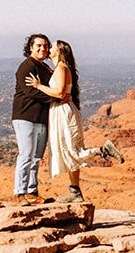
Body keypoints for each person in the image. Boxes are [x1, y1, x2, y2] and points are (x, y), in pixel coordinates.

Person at [26, 39, 124, 203]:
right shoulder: (58, 68)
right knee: (68, 151)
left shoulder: (62, 68)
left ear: (60, 51)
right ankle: (75, 191)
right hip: (60, 112)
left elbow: (59, 93)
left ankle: (103, 150)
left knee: (73, 150)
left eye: (52, 47)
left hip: (64, 113)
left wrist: (38, 86)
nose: (49, 48)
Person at [11, 33, 54, 204]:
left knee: (36, 157)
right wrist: (55, 98)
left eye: (45, 46)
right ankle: (19, 192)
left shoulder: (44, 68)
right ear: (31, 47)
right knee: (26, 155)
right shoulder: (26, 67)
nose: (43, 49)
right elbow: (31, 92)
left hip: (41, 118)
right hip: (25, 116)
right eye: (39, 46)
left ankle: (32, 191)